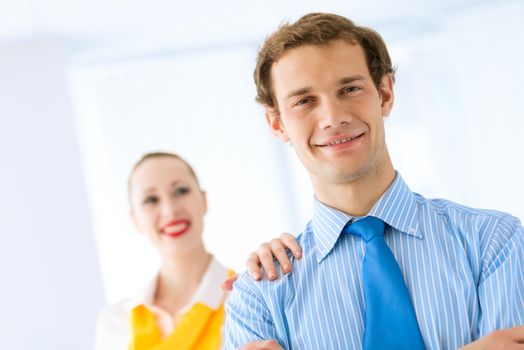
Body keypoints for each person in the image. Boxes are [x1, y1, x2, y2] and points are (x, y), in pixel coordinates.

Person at [224, 13, 524, 349]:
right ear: (277, 124)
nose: (333, 118)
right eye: (304, 101)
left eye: (350, 88)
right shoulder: (259, 296)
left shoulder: (496, 244)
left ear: (385, 93)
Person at [94, 152, 301, 349]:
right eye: (151, 200)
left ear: (203, 201)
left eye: (181, 191)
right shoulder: (115, 322)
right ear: (135, 220)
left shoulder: (250, 298)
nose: (170, 210)